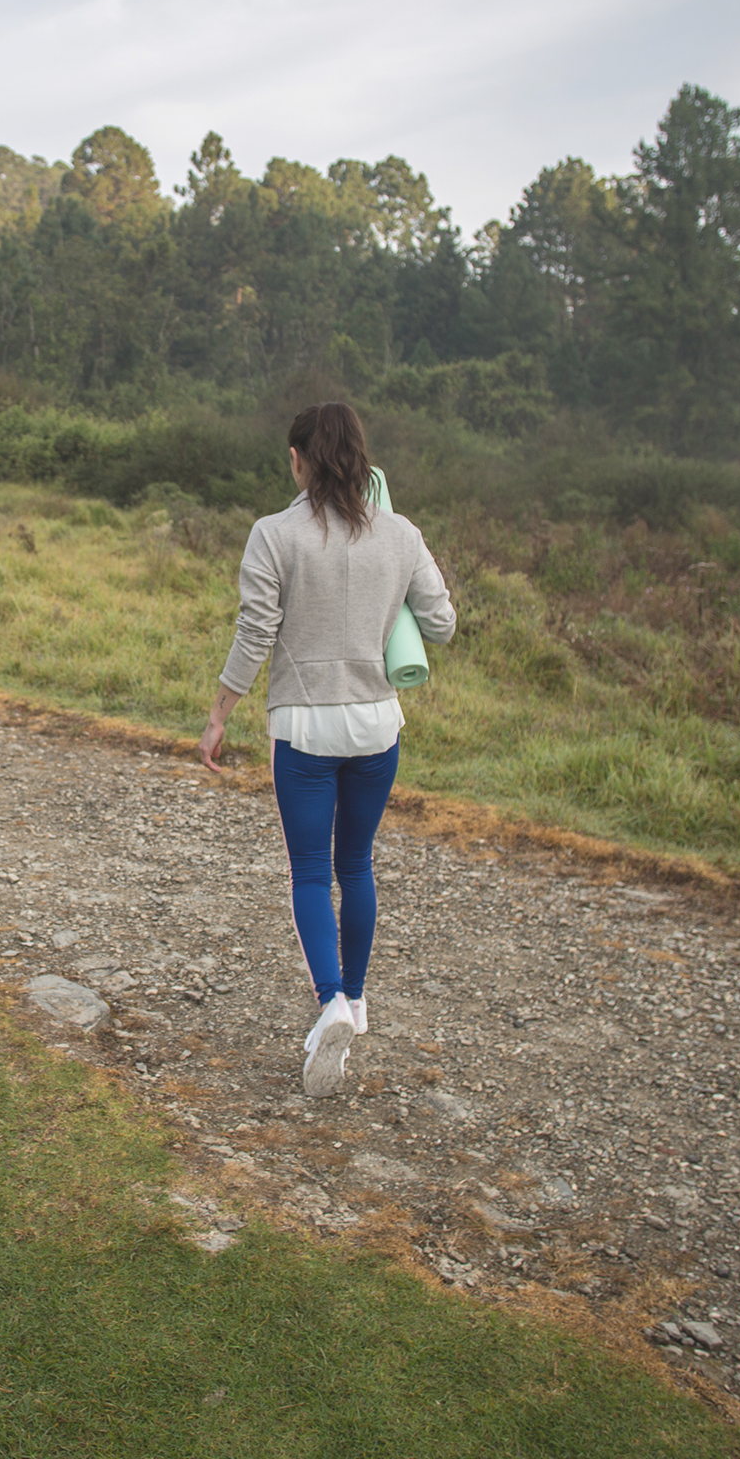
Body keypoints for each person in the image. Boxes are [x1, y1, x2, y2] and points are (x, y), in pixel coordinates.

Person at [198, 403, 455, 1098]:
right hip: (377, 726)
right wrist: (390, 597)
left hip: (306, 729)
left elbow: (256, 634)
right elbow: (443, 622)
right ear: (361, 459)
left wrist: (220, 715)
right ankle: (359, 1002)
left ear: (297, 460)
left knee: (311, 872)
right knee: (357, 863)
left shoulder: (273, 534)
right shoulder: (401, 533)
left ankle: (332, 1001)